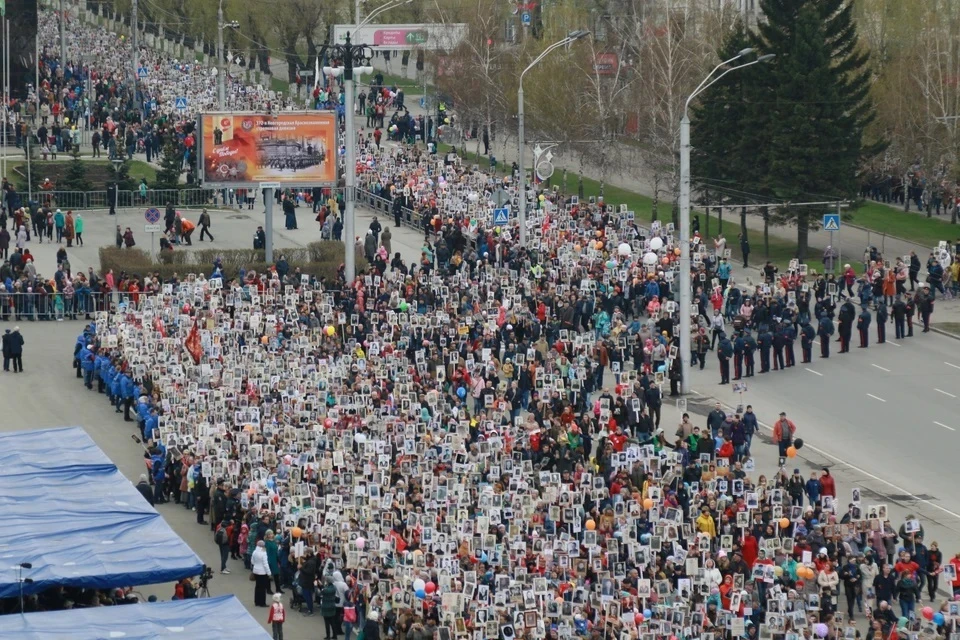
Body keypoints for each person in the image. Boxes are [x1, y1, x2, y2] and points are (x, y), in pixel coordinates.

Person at [252, 540, 271, 607]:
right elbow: (265, 564)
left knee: (257, 586)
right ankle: (262, 603)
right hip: (262, 572)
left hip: (256, 571)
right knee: (263, 588)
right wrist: (269, 573)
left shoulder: (254, 552)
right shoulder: (263, 553)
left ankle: (256, 601)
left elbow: (252, 561)